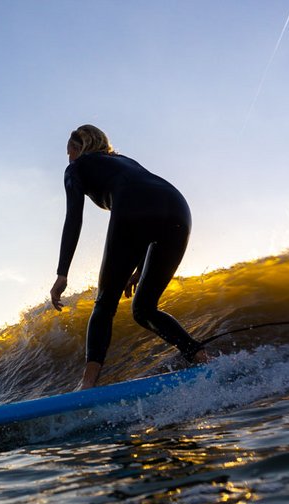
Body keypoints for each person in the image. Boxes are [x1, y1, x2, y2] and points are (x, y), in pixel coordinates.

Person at [50, 124, 209, 389]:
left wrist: (62, 273)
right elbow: (149, 204)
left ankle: (87, 385)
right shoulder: (123, 162)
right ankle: (203, 358)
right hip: (178, 209)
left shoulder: (76, 168)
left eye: (69, 153)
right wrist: (136, 269)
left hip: (135, 209)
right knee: (144, 309)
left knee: (104, 303)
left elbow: (73, 219)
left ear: (77, 149)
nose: (68, 159)